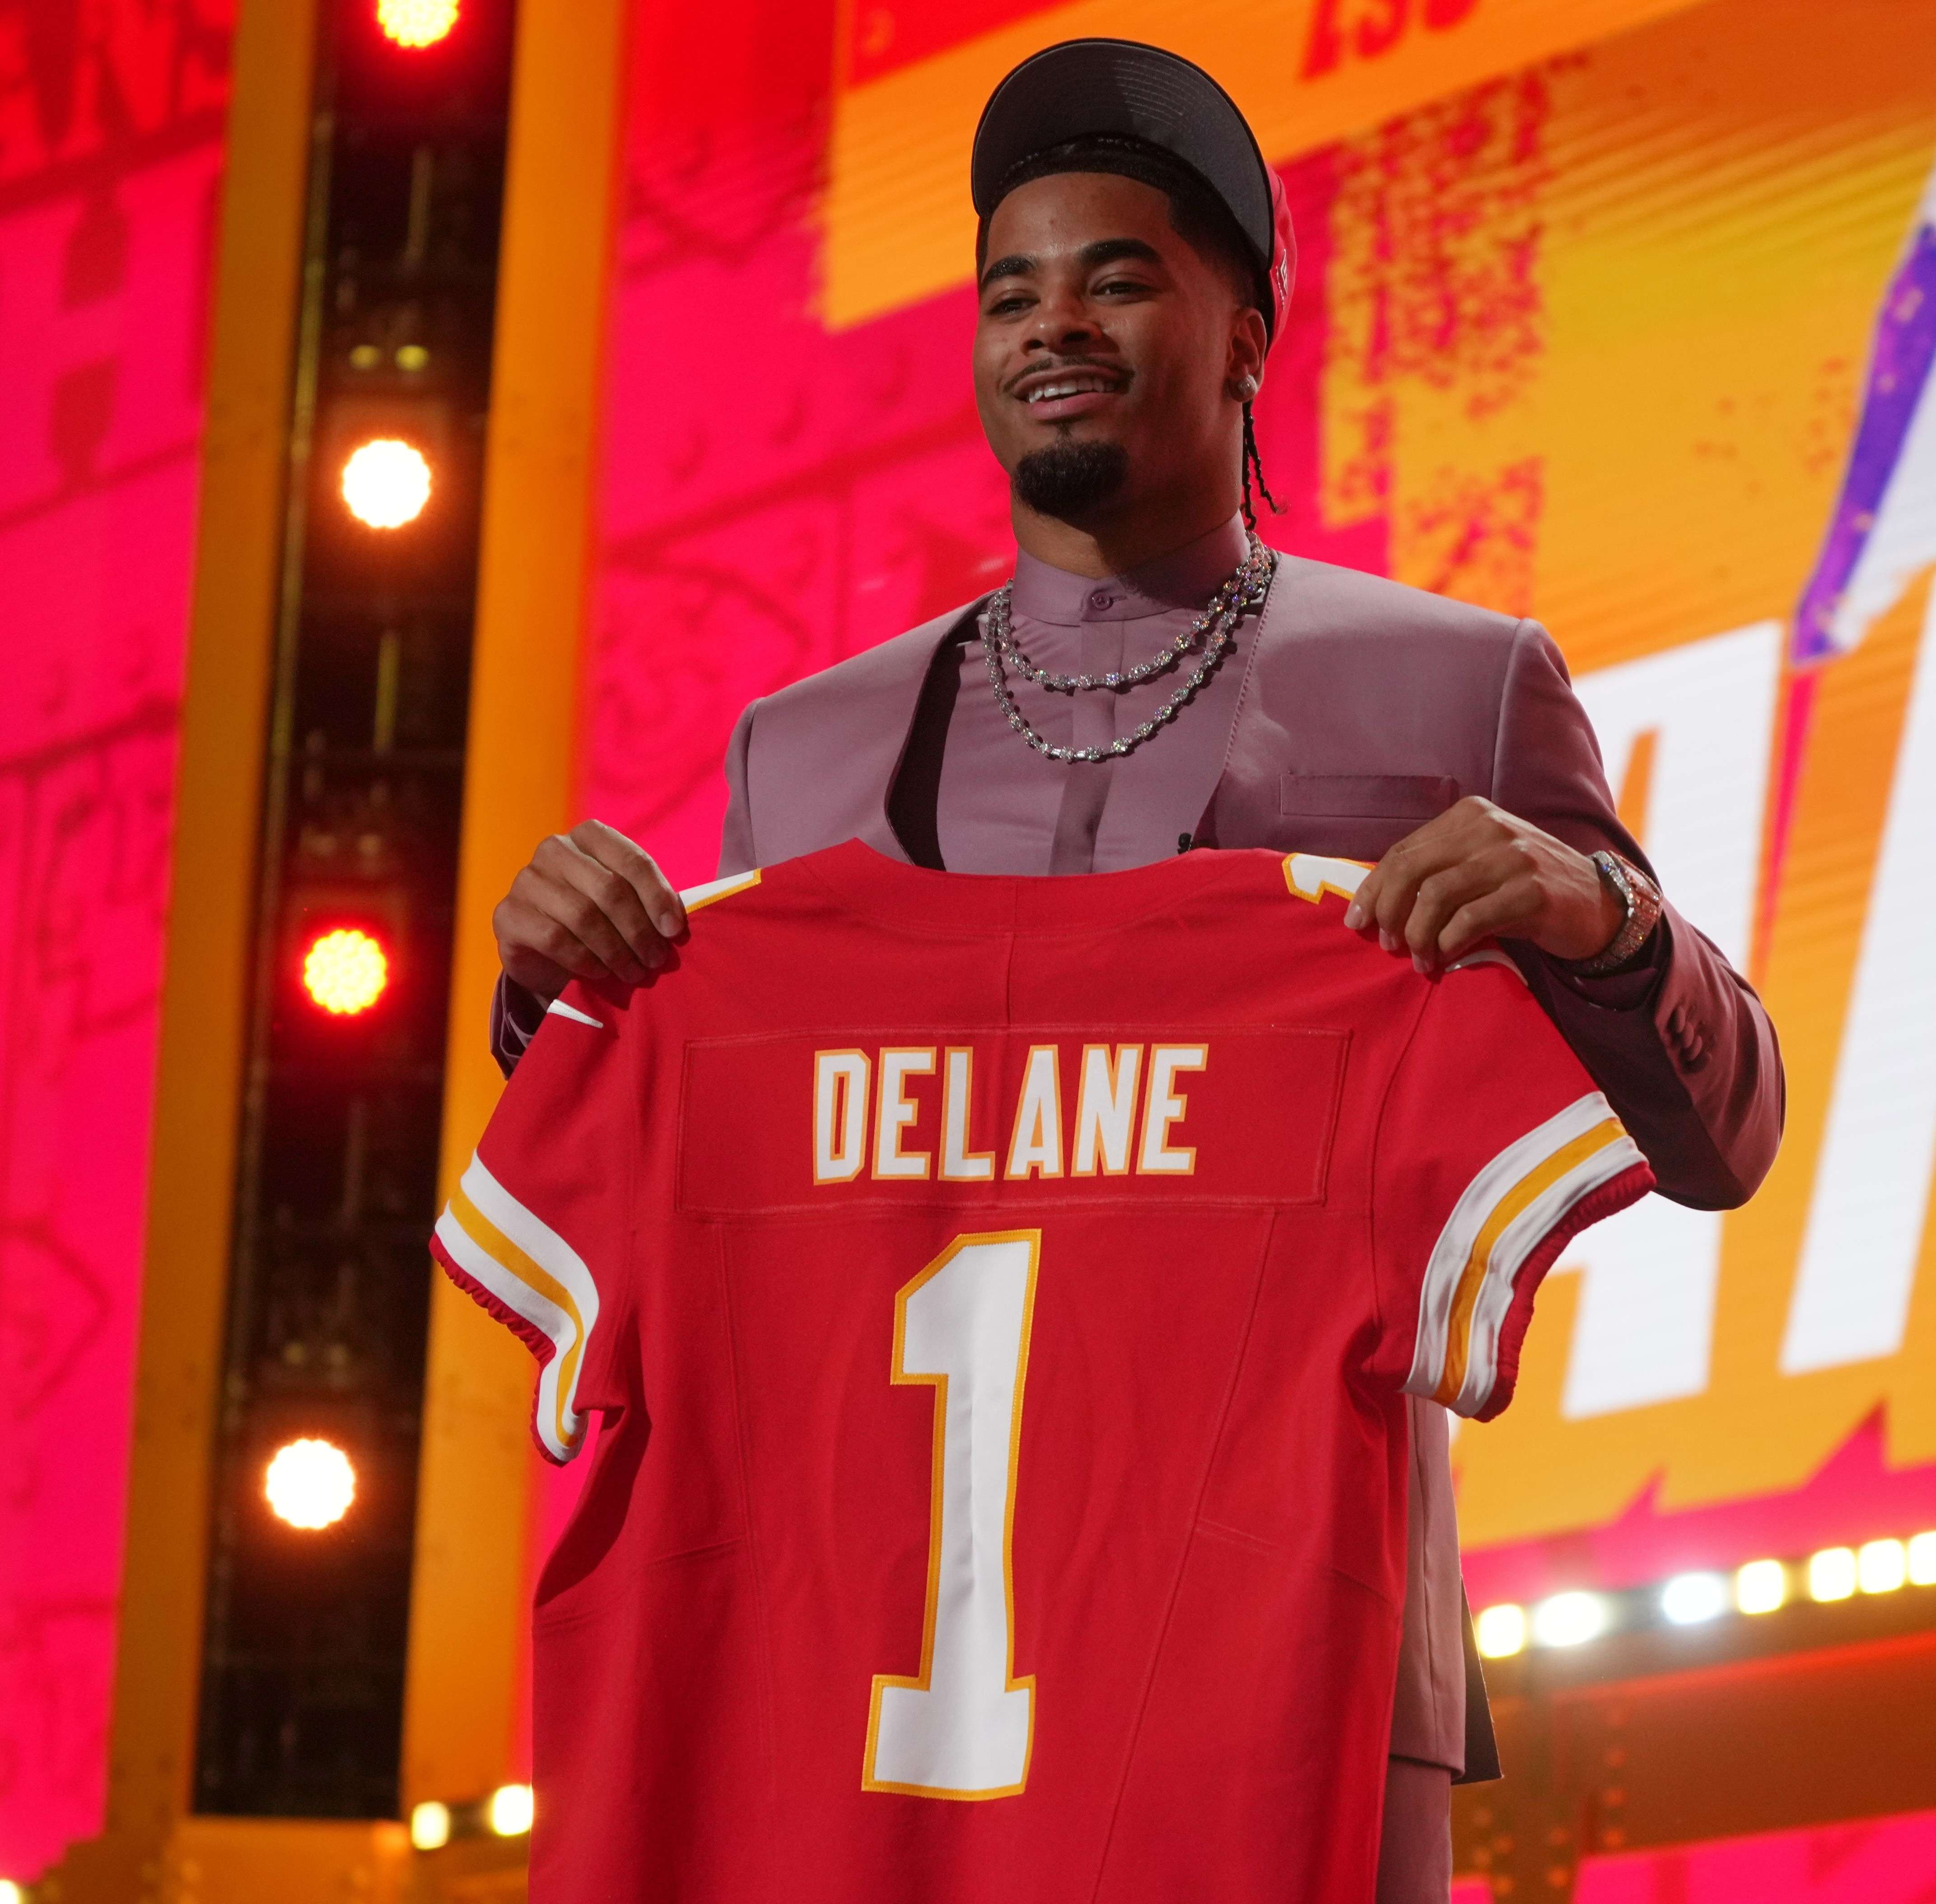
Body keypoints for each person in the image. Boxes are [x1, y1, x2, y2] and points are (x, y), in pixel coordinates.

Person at [484, 37, 1782, 1899]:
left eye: (1117, 276)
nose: (1051, 325)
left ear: (1248, 325)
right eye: (1011, 289)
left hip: (1284, 1643)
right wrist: (564, 990)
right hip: (860, 1671)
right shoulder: (811, 742)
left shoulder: (1459, 680)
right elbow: (721, 1153)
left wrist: (1606, 923)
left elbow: (1729, 1129)